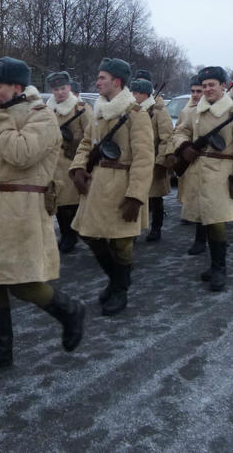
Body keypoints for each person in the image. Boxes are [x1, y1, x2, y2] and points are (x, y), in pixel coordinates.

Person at [0, 57, 86, 376]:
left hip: (22, 207)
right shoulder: (7, 115)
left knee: (22, 283)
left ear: (18, 87)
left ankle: (69, 311)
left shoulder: (42, 116)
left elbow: (20, 154)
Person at [68, 58, 153, 315]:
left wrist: (136, 197)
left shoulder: (136, 115)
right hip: (96, 185)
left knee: (122, 243)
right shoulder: (99, 111)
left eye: (102, 77)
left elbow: (144, 158)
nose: (97, 81)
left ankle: (119, 290)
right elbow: (86, 144)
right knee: (89, 234)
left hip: (122, 185)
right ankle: (118, 280)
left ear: (116, 81)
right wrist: (78, 167)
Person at [167, 66, 233, 290]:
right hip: (196, 171)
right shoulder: (192, 111)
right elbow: (179, 132)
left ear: (223, 86)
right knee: (203, 220)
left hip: (222, 174)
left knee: (216, 222)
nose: (206, 89)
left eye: (211, 85)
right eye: (204, 86)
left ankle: (219, 269)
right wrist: (184, 147)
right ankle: (213, 265)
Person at [45, 71, 93, 254]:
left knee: (70, 202)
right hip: (52, 163)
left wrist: (77, 147)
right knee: (57, 202)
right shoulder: (47, 109)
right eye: (56, 89)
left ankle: (71, 235)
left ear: (70, 88)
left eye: (63, 88)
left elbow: (91, 135)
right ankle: (66, 234)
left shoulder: (81, 108)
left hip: (72, 161)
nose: (60, 92)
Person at [131, 77, 173, 242]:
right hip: (136, 161)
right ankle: (132, 231)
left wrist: (161, 162)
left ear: (145, 94)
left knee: (155, 199)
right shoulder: (132, 110)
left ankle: (156, 229)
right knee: (135, 197)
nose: (134, 95)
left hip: (154, 160)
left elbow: (167, 137)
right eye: (132, 92)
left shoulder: (158, 111)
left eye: (137, 93)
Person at [178, 75, 207, 256]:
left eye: (199, 91)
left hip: (213, 164)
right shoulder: (187, 112)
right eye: (193, 91)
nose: (196, 95)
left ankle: (208, 239)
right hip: (192, 161)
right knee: (196, 202)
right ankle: (200, 239)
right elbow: (179, 132)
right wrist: (183, 147)